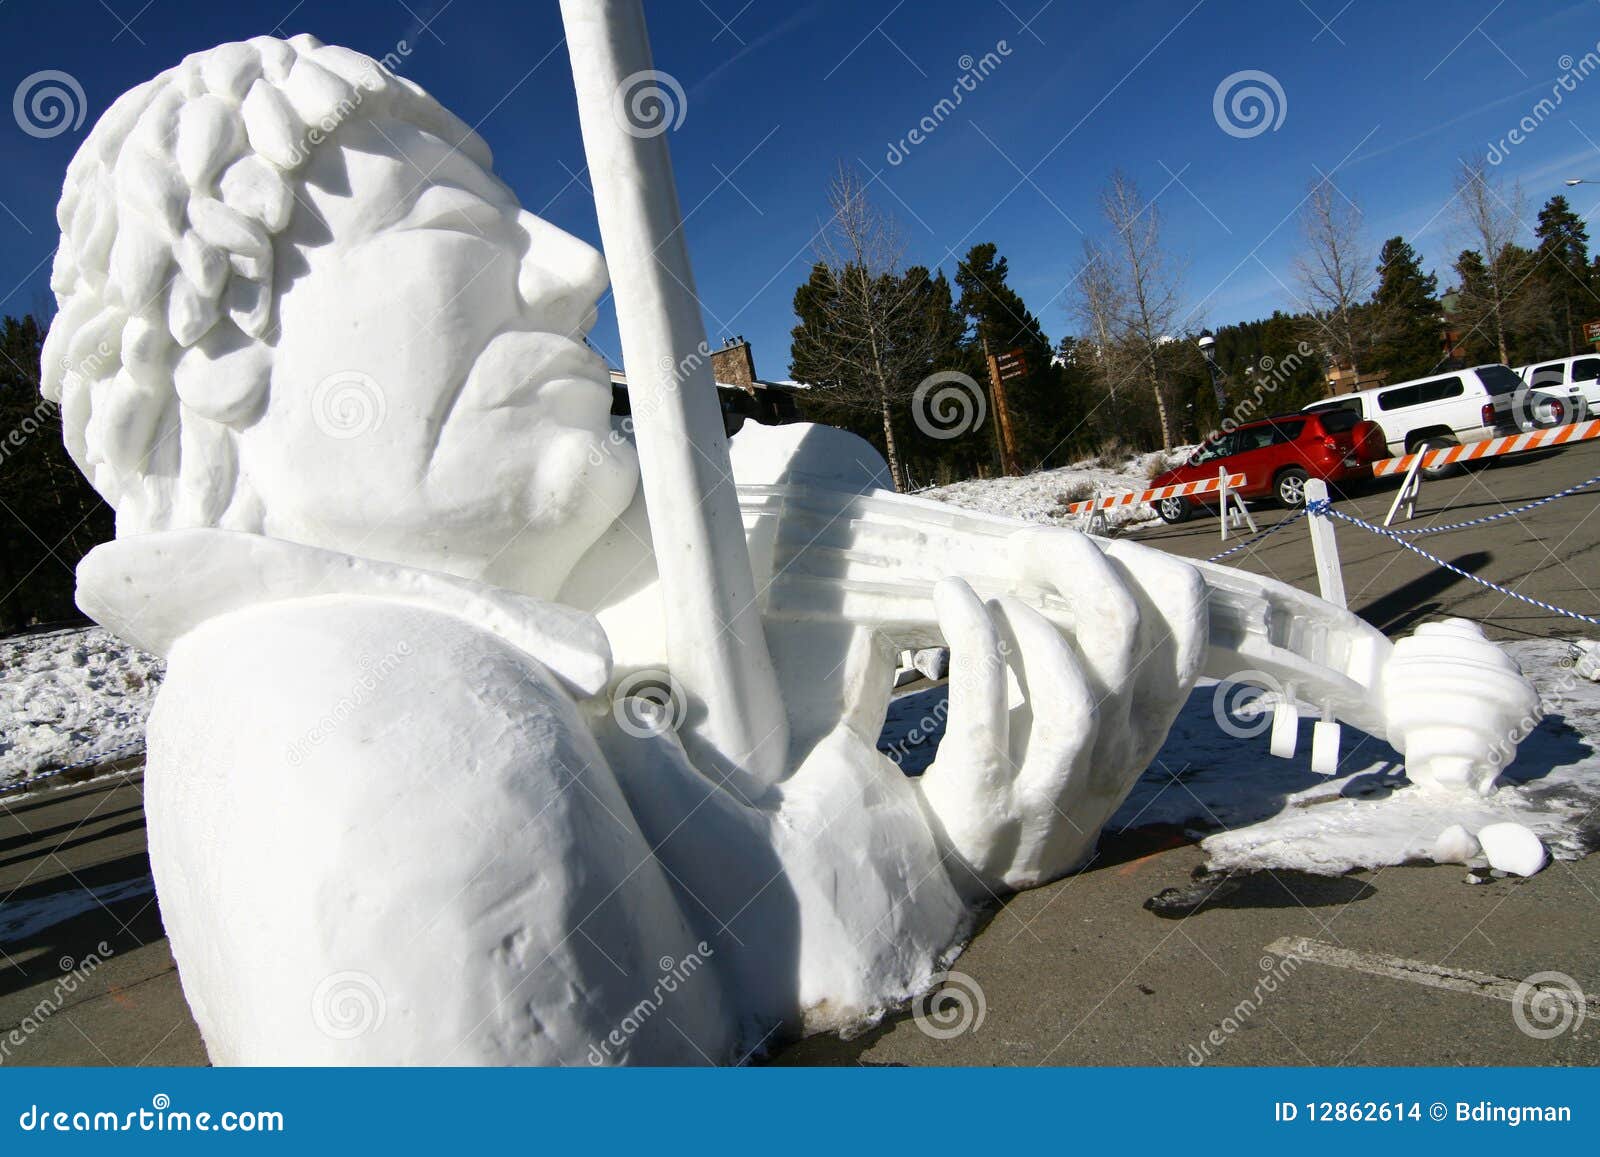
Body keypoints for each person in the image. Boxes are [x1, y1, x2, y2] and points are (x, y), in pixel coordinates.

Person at [47, 35, 1207, 1065]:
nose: (574, 267)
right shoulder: (373, 717)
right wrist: (923, 869)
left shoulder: (311, 679)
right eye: (451, 219)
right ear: (218, 358)